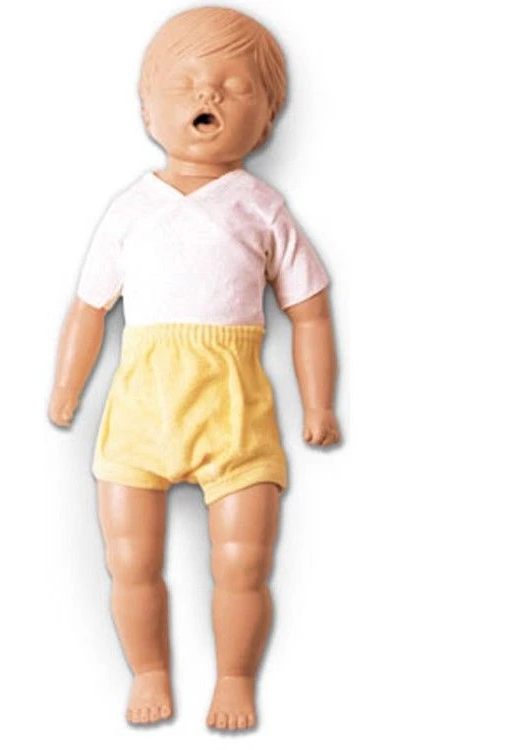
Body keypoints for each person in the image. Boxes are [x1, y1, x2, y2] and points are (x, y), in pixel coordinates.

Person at [48, 5, 341, 731]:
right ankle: (148, 668)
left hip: (234, 411)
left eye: (235, 88)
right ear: (147, 108)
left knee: (244, 562)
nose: (208, 94)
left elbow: (310, 313)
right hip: (140, 410)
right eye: (185, 83)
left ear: (267, 122)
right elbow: (89, 310)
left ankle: (235, 676)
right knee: (129, 561)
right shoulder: (129, 211)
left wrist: (318, 404)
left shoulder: (262, 208)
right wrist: (66, 389)